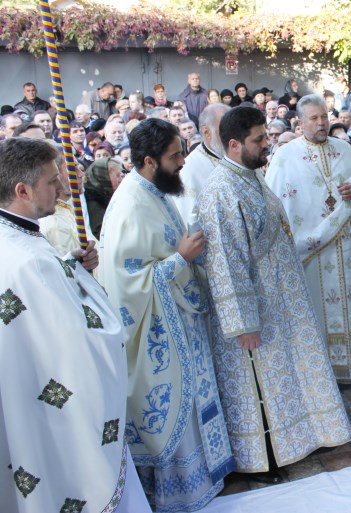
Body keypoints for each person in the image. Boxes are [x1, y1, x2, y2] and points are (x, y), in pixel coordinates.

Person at [196, 105, 351, 478]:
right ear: (233, 145)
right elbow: (225, 265)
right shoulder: (220, 191)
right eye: (258, 140)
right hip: (255, 312)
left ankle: (297, 440)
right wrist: (242, 323)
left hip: (279, 300)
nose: (267, 144)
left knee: (287, 374)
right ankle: (265, 454)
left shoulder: (248, 175)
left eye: (265, 137)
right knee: (262, 382)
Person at [0, 137, 150, 512]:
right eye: (52, 181)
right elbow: (83, 341)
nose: (63, 188)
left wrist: (69, 266)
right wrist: (84, 284)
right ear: (22, 190)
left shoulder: (14, 238)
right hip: (56, 412)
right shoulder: (30, 259)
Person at [97, 119, 235, 510]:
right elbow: (127, 284)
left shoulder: (154, 189)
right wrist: (181, 259)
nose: (181, 162)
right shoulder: (129, 205)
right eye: (174, 156)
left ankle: (203, 478)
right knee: (176, 405)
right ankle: (181, 491)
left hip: (180, 318)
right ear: (147, 160)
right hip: (158, 330)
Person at [265, 94, 351, 384]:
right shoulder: (285, 156)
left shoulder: (343, 149)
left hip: (343, 246)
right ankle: (318, 374)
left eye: (324, 117)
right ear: (300, 122)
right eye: (314, 118)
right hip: (308, 252)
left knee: (346, 304)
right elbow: (275, 204)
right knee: (314, 308)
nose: (321, 123)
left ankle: (347, 368)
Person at [171, 103, 230, 224]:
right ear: (206, 132)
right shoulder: (189, 170)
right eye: (225, 129)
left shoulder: (237, 156)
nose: (232, 135)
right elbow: (188, 217)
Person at [83, 157, 124, 238]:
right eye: (117, 175)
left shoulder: (107, 195)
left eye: (121, 175)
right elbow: (101, 235)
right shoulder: (93, 202)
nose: (121, 180)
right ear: (104, 177)